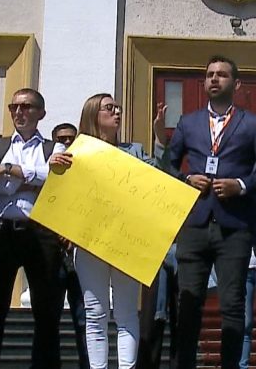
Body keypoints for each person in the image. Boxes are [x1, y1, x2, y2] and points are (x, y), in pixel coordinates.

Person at [168, 55, 256, 369]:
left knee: (233, 305)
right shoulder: (188, 122)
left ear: (236, 83)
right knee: (188, 303)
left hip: (235, 227)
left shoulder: (253, 123)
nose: (214, 79)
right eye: (209, 75)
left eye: (221, 74)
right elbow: (167, 165)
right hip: (195, 224)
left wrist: (241, 185)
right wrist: (186, 179)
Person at [49, 93, 170, 369]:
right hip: (89, 242)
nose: (117, 112)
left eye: (118, 108)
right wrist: (54, 167)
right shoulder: (76, 152)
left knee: (126, 313)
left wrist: (160, 140)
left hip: (125, 241)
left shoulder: (134, 151)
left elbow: (161, 178)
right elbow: (62, 195)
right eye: (109, 108)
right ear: (93, 114)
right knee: (95, 314)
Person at [0, 88, 66, 369]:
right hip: (1, 230)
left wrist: (10, 172)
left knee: (47, 311)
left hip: (41, 232)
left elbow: (56, 178)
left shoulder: (54, 148)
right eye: (14, 107)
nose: (19, 112)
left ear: (41, 113)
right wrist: (30, 179)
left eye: (26, 106)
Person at [50, 122, 91, 369]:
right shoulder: (48, 171)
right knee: (48, 319)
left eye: (71, 139)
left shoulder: (87, 173)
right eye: (61, 139)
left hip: (79, 255)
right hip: (52, 254)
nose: (66, 143)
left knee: (84, 319)